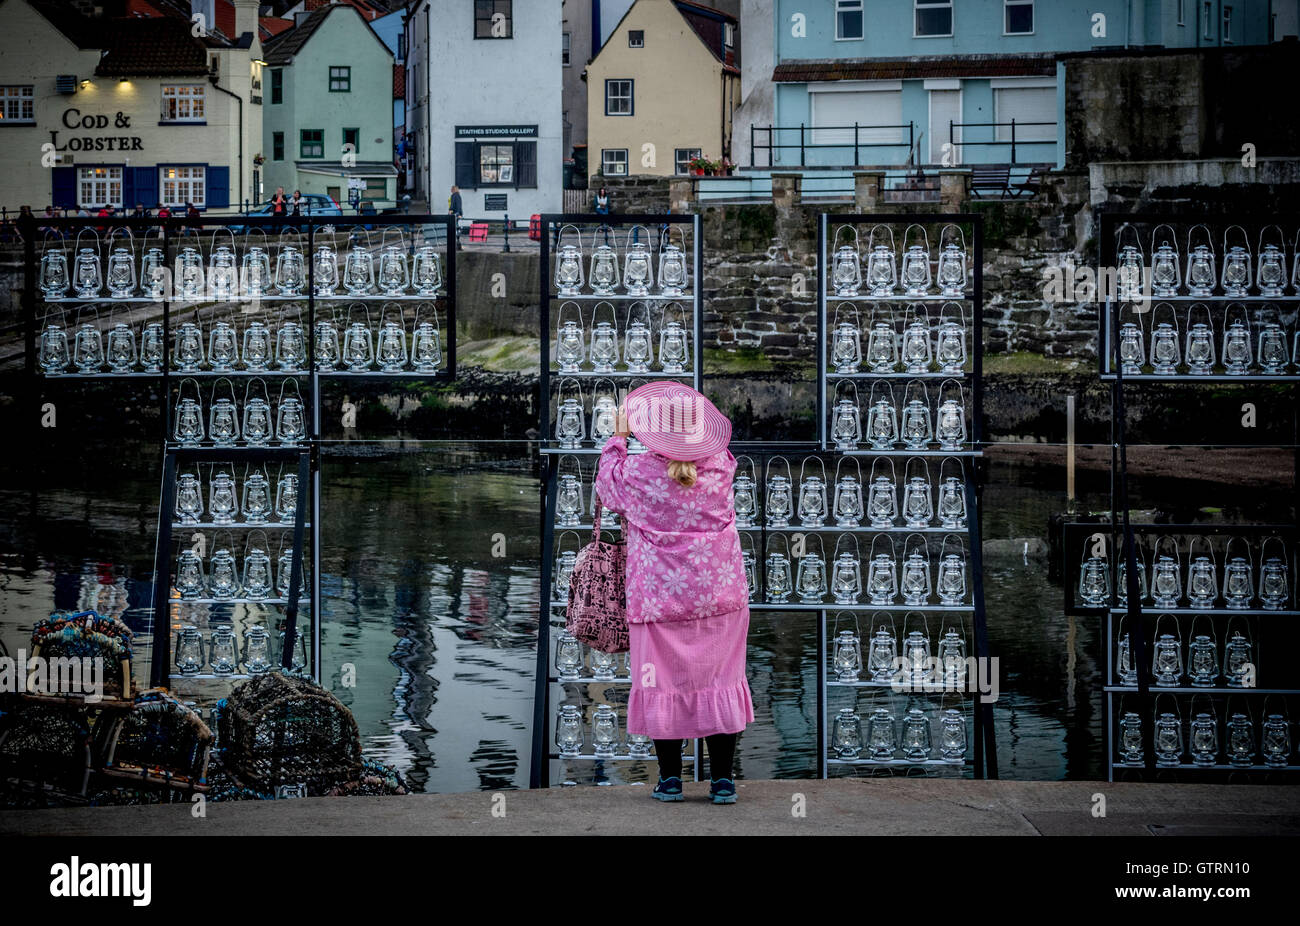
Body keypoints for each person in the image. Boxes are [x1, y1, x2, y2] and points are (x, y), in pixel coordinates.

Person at [593, 381, 753, 804]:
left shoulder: (639, 473)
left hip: (658, 600)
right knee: (721, 681)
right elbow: (712, 451)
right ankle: (722, 782)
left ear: (654, 431)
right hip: (720, 599)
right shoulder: (722, 468)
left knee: (661, 683)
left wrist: (620, 437)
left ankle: (669, 781)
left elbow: (606, 488)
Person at [448, 184, 463, 250]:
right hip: (457, 213)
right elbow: (459, 205)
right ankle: (457, 241)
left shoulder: (454, 195)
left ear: (453, 189)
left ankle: (456, 242)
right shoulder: (458, 195)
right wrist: (460, 213)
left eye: (451, 189)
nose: (450, 190)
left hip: (454, 213)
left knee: (454, 227)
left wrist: (450, 210)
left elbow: (453, 204)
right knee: (456, 227)